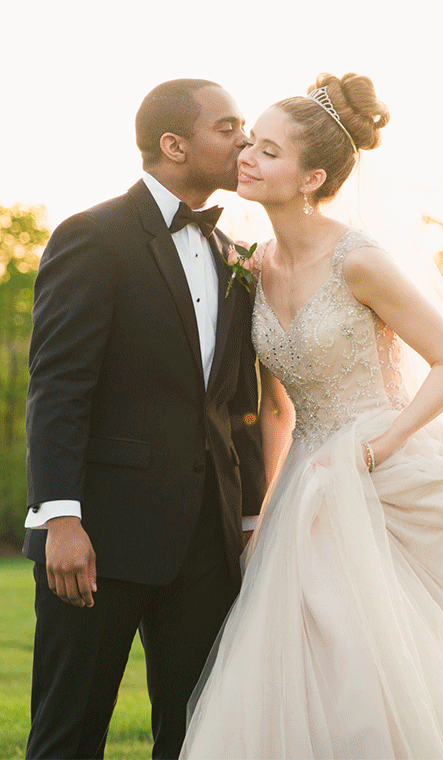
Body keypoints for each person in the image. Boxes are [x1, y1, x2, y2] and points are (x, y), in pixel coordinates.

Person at [179, 73, 443, 758]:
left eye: (269, 152)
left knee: (375, 647)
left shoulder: (359, 261)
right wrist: (264, 511)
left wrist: (382, 445)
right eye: (250, 143)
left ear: (312, 177)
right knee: (302, 654)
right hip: (306, 474)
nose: (246, 156)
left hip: (382, 466)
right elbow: (275, 406)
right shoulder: (257, 266)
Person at [23, 79, 265, 759]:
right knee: (68, 736)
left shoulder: (235, 254)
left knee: (197, 739)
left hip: (205, 548)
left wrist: (246, 521)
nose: (244, 141)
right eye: (229, 127)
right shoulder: (91, 237)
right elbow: (60, 387)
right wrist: (60, 518)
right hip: (100, 538)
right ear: (174, 144)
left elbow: (234, 401)